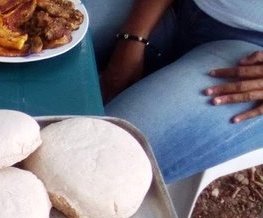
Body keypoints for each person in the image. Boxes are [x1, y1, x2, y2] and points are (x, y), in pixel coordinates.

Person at [84, 0, 263, 184]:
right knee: (57, 34)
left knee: (105, 154)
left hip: (252, 56)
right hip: (176, 7)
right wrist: (133, 38)